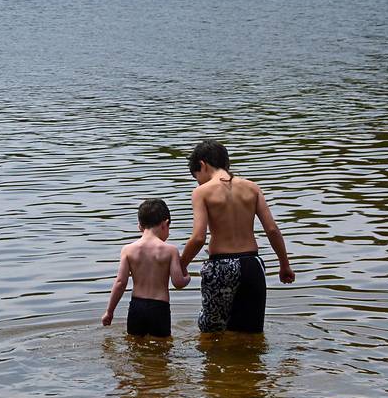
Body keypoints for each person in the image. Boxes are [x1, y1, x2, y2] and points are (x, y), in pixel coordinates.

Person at [181, 139, 295, 333]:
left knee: (212, 332)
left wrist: (181, 264)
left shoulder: (201, 192)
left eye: (197, 176)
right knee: (251, 332)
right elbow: (272, 230)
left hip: (222, 266)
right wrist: (284, 264)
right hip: (253, 265)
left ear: (202, 164)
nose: (198, 181)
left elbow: (199, 238)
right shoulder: (252, 188)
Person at [102, 199, 191, 337]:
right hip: (159, 307)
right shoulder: (170, 250)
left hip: (137, 307)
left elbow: (120, 283)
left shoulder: (128, 250)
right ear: (165, 224)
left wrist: (109, 311)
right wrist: (187, 277)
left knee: (135, 344)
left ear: (139, 226)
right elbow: (178, 283)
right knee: (162, 348)